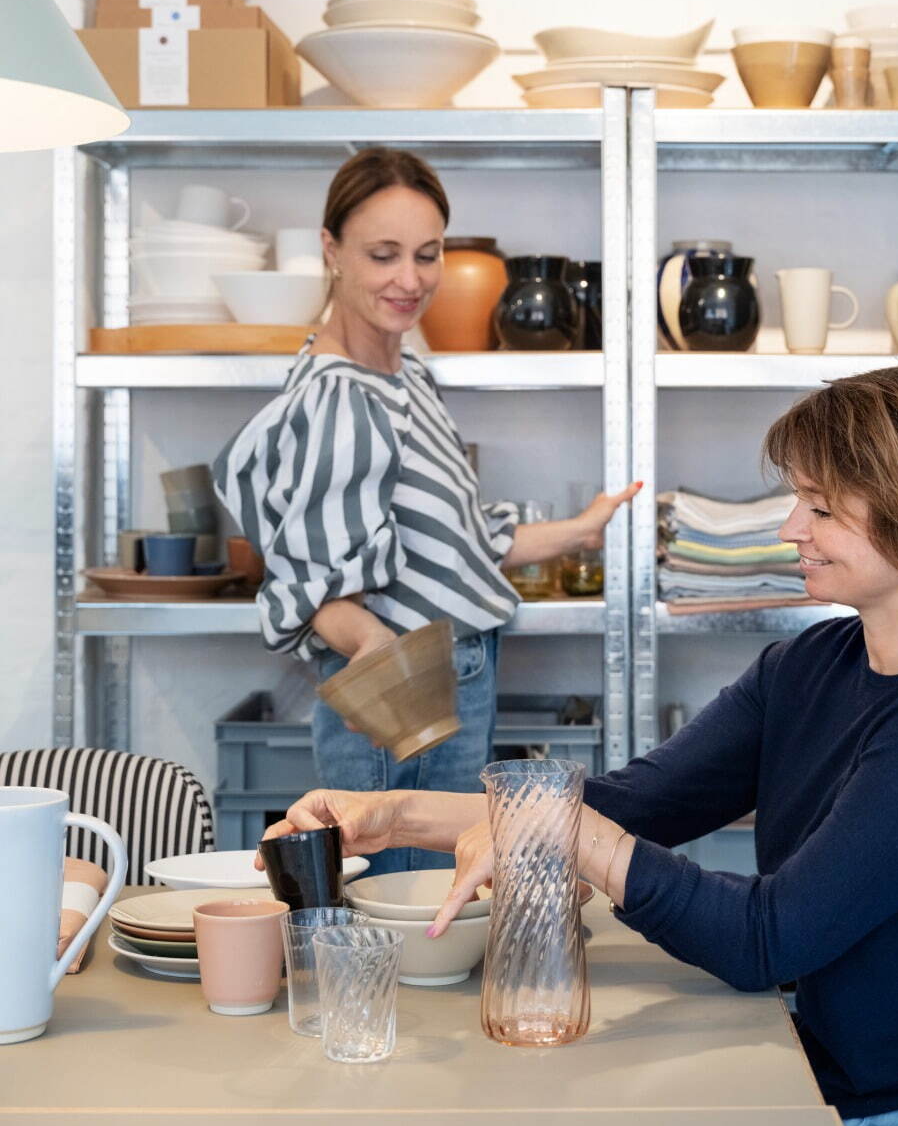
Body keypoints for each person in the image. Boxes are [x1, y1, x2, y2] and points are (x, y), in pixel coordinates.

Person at [262, 360, 898, 1126]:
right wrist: (391, 814)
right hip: (869, 1087)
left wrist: (570, 838)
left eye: (820, 507)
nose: (791, 528)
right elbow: (628, 804)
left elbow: (768, 939)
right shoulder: (808, 665)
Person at [215, 145, 638, 874]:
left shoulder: (405, 372)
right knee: (401, 903)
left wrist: (579, 529)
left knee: (437, 900)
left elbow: (454, 542)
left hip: (443, 672)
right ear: (332, 251)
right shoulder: (339, 397)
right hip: (404, 689)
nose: (409, 280)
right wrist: (381, 658)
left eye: (427, 253)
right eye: (382, 255)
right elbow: (315, 588)